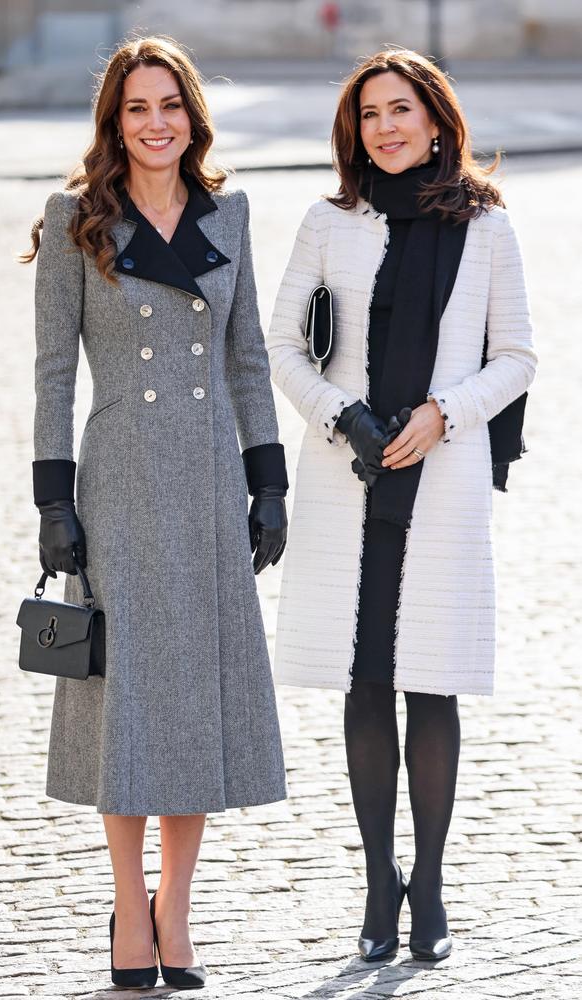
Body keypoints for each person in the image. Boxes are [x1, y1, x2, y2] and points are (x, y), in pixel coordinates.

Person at [21, 36, 288, 990]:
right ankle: (126, 909)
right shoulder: (74, 220)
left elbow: (247, 359)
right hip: (121, 483)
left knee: (195, 702)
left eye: (170, 103)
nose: (156, 122)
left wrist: (271, 483)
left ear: (192, 115)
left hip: (212, 478)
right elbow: (54, 372)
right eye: (137, 107)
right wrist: (55, 502)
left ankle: (176, 910)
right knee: (127, 702)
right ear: (114, 121)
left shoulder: (231, 213)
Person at [267, 48, 536, 963]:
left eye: (400, 110)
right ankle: (379, 882)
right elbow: (283, 345)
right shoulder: (327, 221)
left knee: (432, 677)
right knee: (364, 676)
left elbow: (517, 359)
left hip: (442, 474)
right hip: (353, 477)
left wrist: (442, 413)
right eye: (368, 114)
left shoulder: (488, 227)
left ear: (435, 120)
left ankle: (432, 883)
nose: (384, 127)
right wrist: (344, 415)